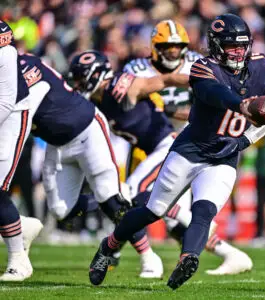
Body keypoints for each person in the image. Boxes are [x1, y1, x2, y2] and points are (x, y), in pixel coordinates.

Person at [88, 14, 265, 290]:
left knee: (204, 211)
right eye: (231, 46)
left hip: (224, 156)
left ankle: (188, 258)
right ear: (215, 46)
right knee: (153, 209)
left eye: (242, 45)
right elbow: (216, 94)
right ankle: (109, 245)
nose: (238, 52)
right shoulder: (203, 68)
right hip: (189, 150)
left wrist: (241, 142)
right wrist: (243, 106)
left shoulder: (261, 66)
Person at [22, 51, 169, 279]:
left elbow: (155, 82)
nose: (78, 84)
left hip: (87, 132)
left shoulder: (115, 86)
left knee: (109, 195)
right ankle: (116, 201)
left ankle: (149, 256)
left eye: (81, 79)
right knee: (61, 210)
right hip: (57, 144)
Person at [122, 19, 253, 275]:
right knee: (152, 206)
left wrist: (167, 107)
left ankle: (146, 258)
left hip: (186, 140)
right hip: (146, 140)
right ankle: (228, 253)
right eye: (167, 46)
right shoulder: (137, 67)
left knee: (148, 200)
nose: (172, 51)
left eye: (177, 45)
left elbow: (209, 110)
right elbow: (129, 101)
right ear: (154, 46)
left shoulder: (198, 64)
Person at [0, 20, 43, 282]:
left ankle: (19, 260)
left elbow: (6, 98)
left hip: (13, 112)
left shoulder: (4, 47)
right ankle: (21, 226)